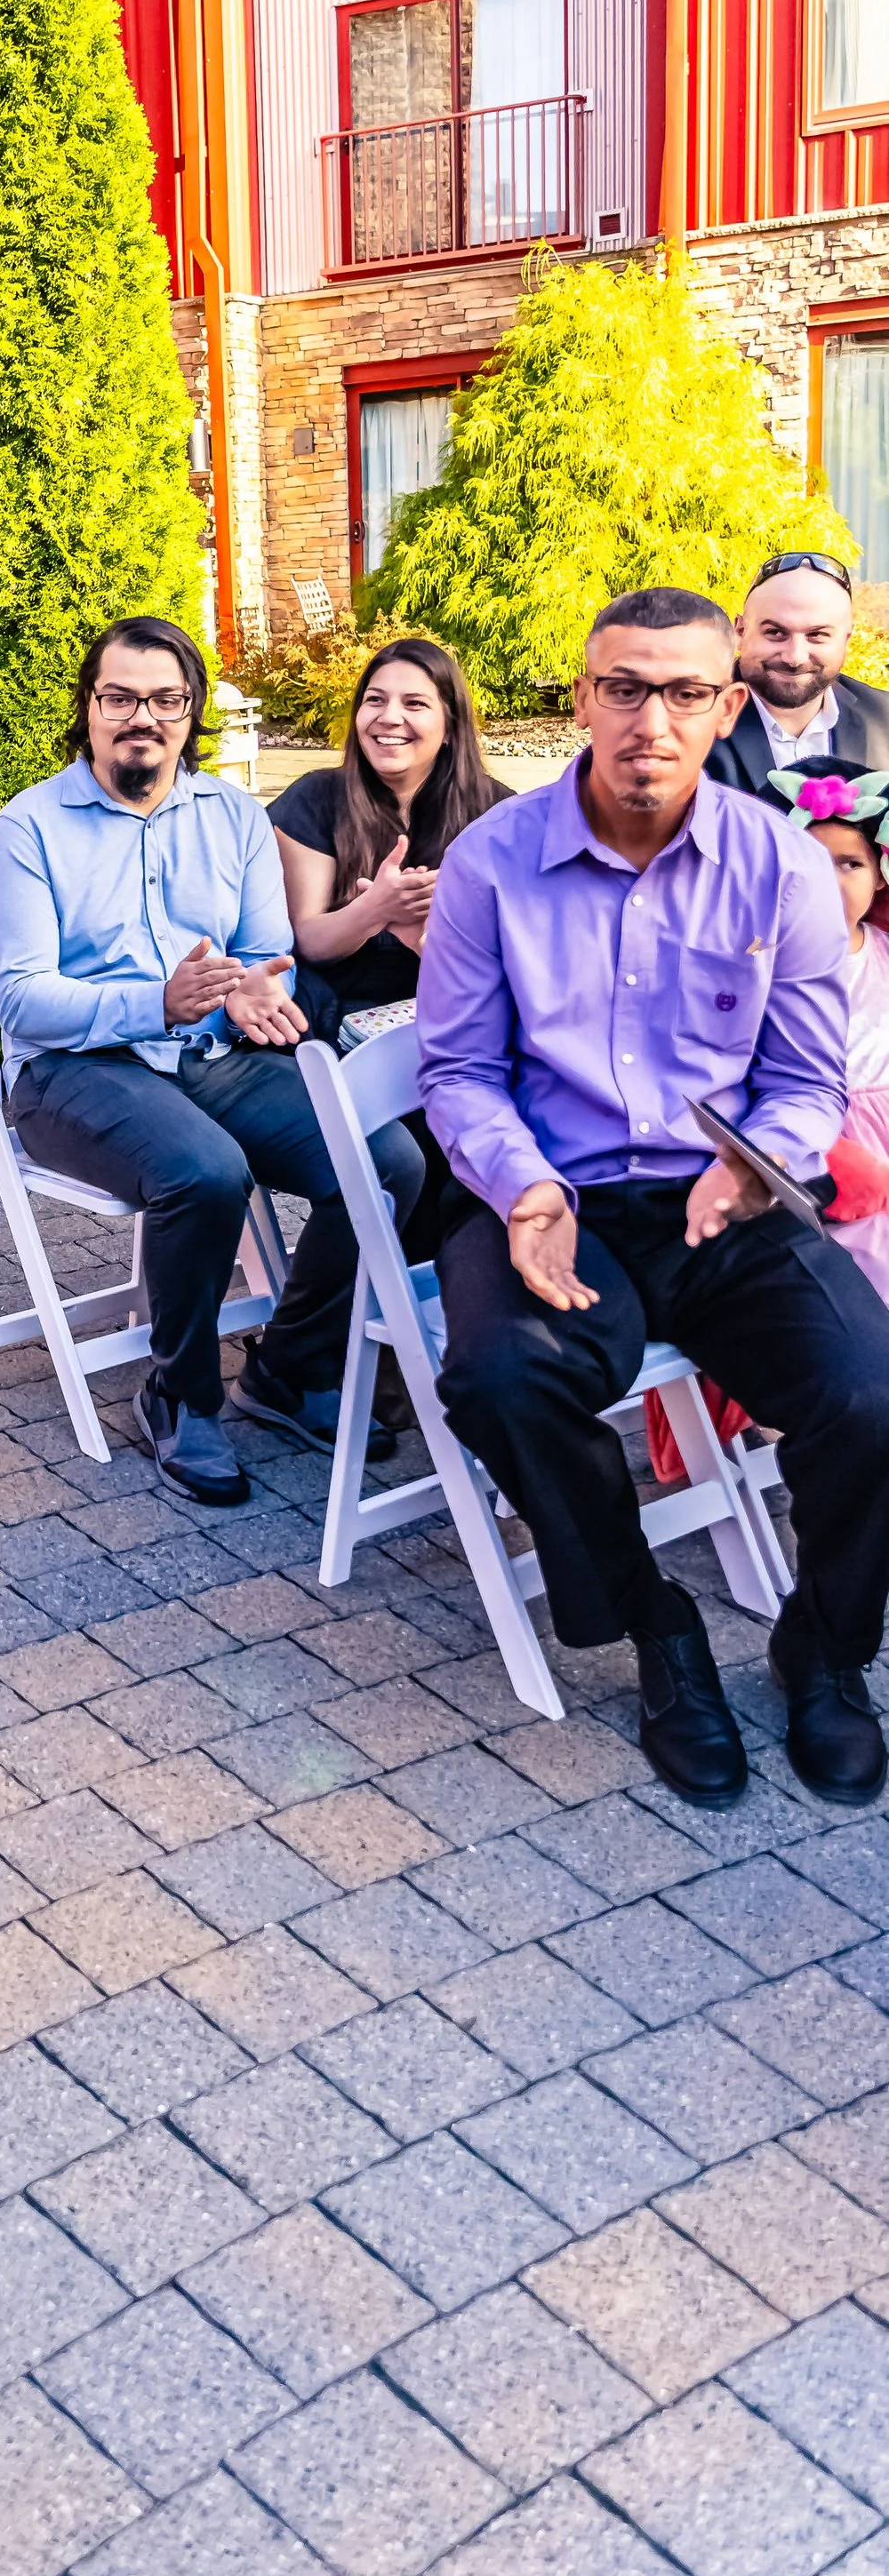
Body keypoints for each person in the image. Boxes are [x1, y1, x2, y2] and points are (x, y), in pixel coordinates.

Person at [418, 585, 889, 1811]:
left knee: (873, 1392)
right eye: (623, 686)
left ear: (727, 703)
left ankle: (824, 1647)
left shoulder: (778, 859)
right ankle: (656, 1620)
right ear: (581, 697)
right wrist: (521, 1186)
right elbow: (459, 1071)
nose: (651, 719)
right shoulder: (492, 865)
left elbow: (802, 1077)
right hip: (553, 1193)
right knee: (501, 1377)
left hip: (720, 1193)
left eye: (685, 691)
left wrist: (754, 1160)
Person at [0, 615, 422, 1509]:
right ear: (88, 708)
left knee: (386, 1160)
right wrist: (157, 1002)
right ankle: (179, 1393)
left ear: (190, 713)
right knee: (204, 1173)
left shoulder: (230, 817)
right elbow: (22, 1001)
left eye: (165, 701)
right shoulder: (27, 831)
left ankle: (291, 1366)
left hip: (204, 1053)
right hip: (72, 1071)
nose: (142, 717)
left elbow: (264, 950)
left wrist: (259, 989)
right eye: (120, 698)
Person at [270, 636, 509, 1041]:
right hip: (333, 1017)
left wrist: (424, 939)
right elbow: (308, 941)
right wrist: (375, 909)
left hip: (457, 1019)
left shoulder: (497, 813)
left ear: (450, 727)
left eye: (414, 704)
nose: (389, 717)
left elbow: (515, 957)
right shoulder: (314, 799)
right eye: (375, 700)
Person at [765, 765, 889, 1304]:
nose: (830, 881)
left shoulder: (885, 954)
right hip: (818, 1150)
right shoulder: (758, 963)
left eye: (851, 864)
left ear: (880, 875)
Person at [705, 548, 889, 795]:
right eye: (775, 633)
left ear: (846, 639)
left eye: (817, 635)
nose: (795, 657)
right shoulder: (693, 715)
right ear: (740, 632)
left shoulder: (883, 719)